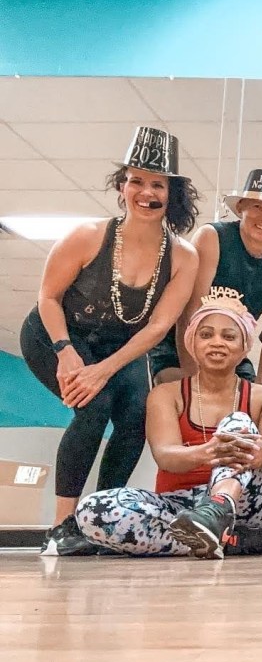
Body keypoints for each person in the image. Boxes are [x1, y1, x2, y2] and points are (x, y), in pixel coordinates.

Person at [22, 126, 200, 556]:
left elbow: (158, 327)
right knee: (94, 406)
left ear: (171, 194)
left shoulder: (183, 255)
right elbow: (48, 298)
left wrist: (103, 368)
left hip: (121, 347)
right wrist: (66, 353)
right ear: (122, 186)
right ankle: (61, 526)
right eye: (136, 181)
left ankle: (103, 521)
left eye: (157, 185)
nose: (146, 192)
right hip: (55, 335)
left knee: (137, 416)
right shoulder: (88, 236)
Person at [75, 289, 262, 559]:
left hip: (246, 504)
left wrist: (250, 450)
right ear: (192, 343)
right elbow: (166, 456)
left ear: (244, 347)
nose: (217, 343)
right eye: (206, 335)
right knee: (91, 511)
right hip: (180, 505)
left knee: (238, 423)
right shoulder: (165, 394)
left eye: (228, 336)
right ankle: (240, 541)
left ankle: (217, 512)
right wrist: (210, 451)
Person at [150, 168, 262, 385]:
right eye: (257, 207)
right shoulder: (212, 237)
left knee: (248, 400)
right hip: (178, 345)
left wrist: (259, 385)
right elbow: (189, 312)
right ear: (240, 208)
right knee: (176, 392)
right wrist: (194, 379)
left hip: (230, 351)